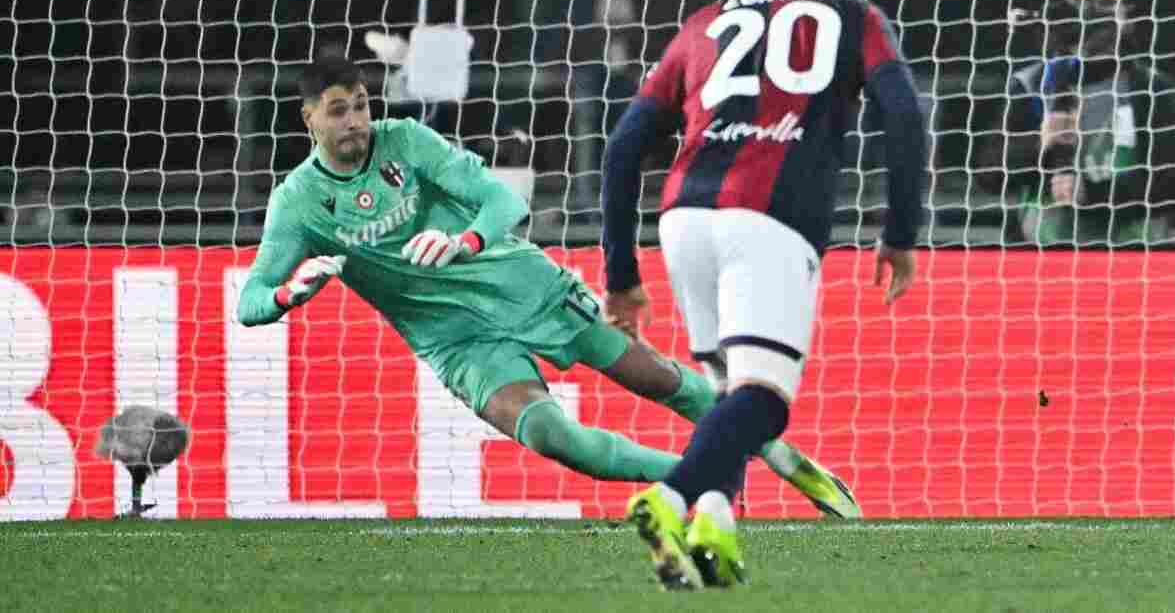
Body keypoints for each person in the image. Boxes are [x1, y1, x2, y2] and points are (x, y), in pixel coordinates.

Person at [234, 57, 856, 518]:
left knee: (655, 380)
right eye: (339, 110)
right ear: (308, 117)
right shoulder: (299, 205)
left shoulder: (407, 141)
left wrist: (466, 241)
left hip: (523, 285)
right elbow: (250, 300)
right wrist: (290, 292)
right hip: (454, 341)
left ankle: (775, 452)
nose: (356, 121)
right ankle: (701, 477)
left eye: (362, 104)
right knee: (551, 438)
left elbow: (504, 198)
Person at [600, 0, 929, 590]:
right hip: (770, 218)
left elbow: (624, 144)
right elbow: (904, 116)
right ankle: (671, 497)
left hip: (683, 219)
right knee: (766, 399)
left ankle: (715, 524)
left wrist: (621, 273)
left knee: (729, 397)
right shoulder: (853, 15)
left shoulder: (705, 22)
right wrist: (900, 232)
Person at [977, 0, 1175, 245]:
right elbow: (989, 176)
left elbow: (1169, 187)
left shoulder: (1150, 88)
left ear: (1125, 14)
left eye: (1102, 4)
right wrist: (1040, 146)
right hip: (1042, 251)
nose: (1088, 14)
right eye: (1079, 3)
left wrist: (1093, 194)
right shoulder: (1031, 84)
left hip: (1132, 252)